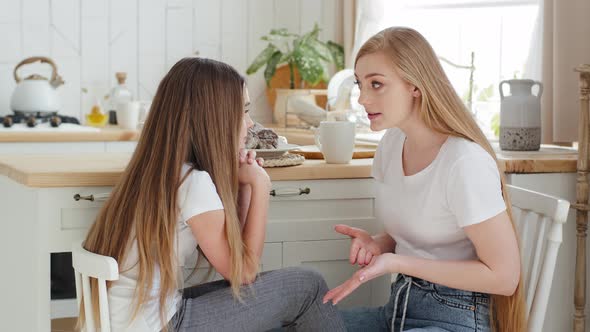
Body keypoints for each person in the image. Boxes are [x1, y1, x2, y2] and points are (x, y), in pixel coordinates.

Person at [78, 57, 346, 332]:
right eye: (242, 111)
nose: (250, 123)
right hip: (160, 324)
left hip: (131, 320)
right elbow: (244, 273)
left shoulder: (153, 172)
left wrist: (243, 188)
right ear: (213, 118)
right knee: (308, 286)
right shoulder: (193, 183)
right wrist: (262, 186)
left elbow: (233, 260)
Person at [322, 27, 527, 332]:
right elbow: (421, 230)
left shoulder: (464, 163)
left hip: (456, 317)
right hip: (399, 309)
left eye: (376, 84)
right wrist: (379, 244)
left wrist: (397, 263)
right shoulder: (391, 144)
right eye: (360, 84)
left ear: (414, 86)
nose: (363, 98)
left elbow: (505, 278)